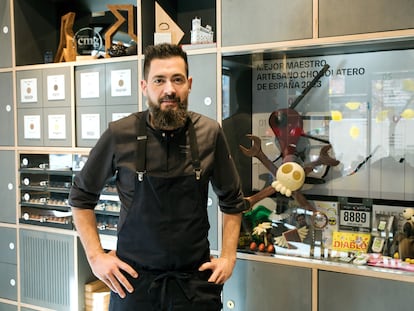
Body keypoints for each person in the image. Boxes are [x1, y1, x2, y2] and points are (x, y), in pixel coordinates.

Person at [68, 43, 247, 310]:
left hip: (194, 285)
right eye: (159, 80)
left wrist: (229, 257)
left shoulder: (210, 133)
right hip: (133, 284)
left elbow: (232, 201)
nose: (169, 90)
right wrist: (95, 256)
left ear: (189, 84)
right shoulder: (120, 134)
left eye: (177, 79)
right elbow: (81, 197)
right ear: (144, 86)